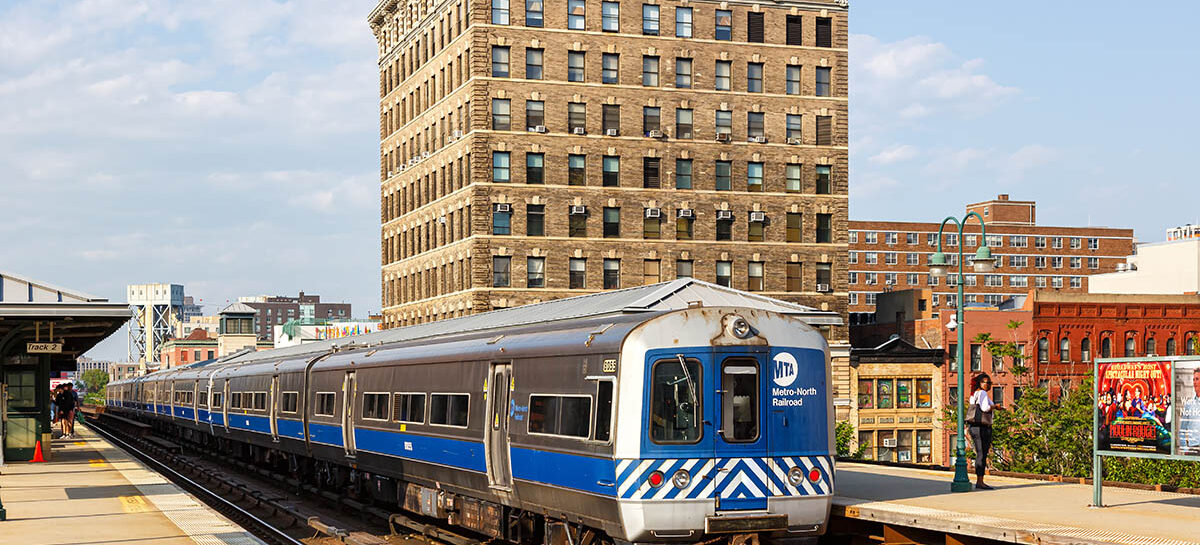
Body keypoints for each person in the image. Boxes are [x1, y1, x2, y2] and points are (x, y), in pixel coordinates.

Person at [968, 373, 995, 490]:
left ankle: (980, 480)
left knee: (980, 453)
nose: (989, 385)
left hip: (974, 426)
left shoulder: (974, 394)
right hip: (982, 427)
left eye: (990, 383)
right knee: (982, 454)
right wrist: (996, 407)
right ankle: (980, 481)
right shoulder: (982, 393)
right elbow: (985, 408)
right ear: (980, 383)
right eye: (986, 382)